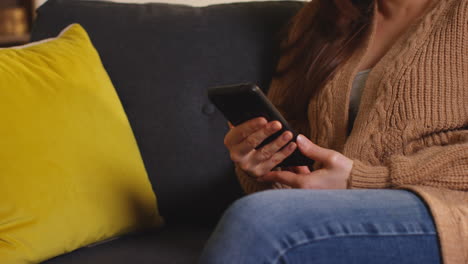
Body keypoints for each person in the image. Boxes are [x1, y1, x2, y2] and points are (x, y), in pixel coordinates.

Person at [199, 0, 467, 263]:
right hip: (336, 209)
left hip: (451, 211)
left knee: (259, 222)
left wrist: (364, 179)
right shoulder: (322, 16)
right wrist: (262, 166)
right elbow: (296, 152)